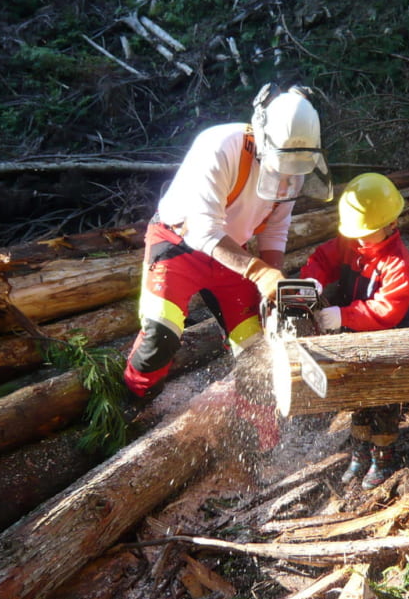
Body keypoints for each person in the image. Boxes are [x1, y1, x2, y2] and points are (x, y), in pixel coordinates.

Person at [123, 84, 332, 448]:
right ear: (263, 138)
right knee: (161, 335)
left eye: (294, 171)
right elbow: (202, 228)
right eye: (281, 168)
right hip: (178, 244)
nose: (287, 178)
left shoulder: (295, 163)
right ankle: (133, 404)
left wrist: (274, 289)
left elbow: (275, 230)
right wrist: (261, 273)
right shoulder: (221, 145)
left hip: (234, 253)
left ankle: (257, 433)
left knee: (257, 348)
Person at [298, 172, 409, 489]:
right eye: (358, 233)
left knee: (382, 401)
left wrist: (343, 315)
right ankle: (360, 453)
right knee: (358, 398)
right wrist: (313, 279)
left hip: (387, 344)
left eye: (366, 233)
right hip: (357, 339)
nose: (360, 239)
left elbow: (387, 310)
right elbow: (324, 257)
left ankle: (383, 456)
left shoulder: (397, 264)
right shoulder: (354, 243)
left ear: (391, 224)